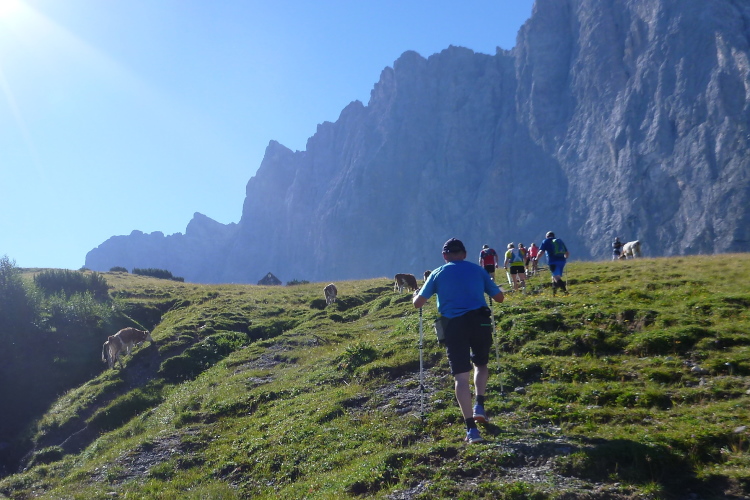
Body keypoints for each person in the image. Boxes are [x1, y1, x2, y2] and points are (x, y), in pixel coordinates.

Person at [414, 238, 504, 444]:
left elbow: (418, 303)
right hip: (480, 321)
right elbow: (499, 298)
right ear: (464, 254)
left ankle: (471, 429)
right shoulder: (478, 270)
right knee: (481, 364)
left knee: (461, 377)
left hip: (453, 326)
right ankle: (479, 405)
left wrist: (415, 295)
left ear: (445, 256)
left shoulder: (437, 273)